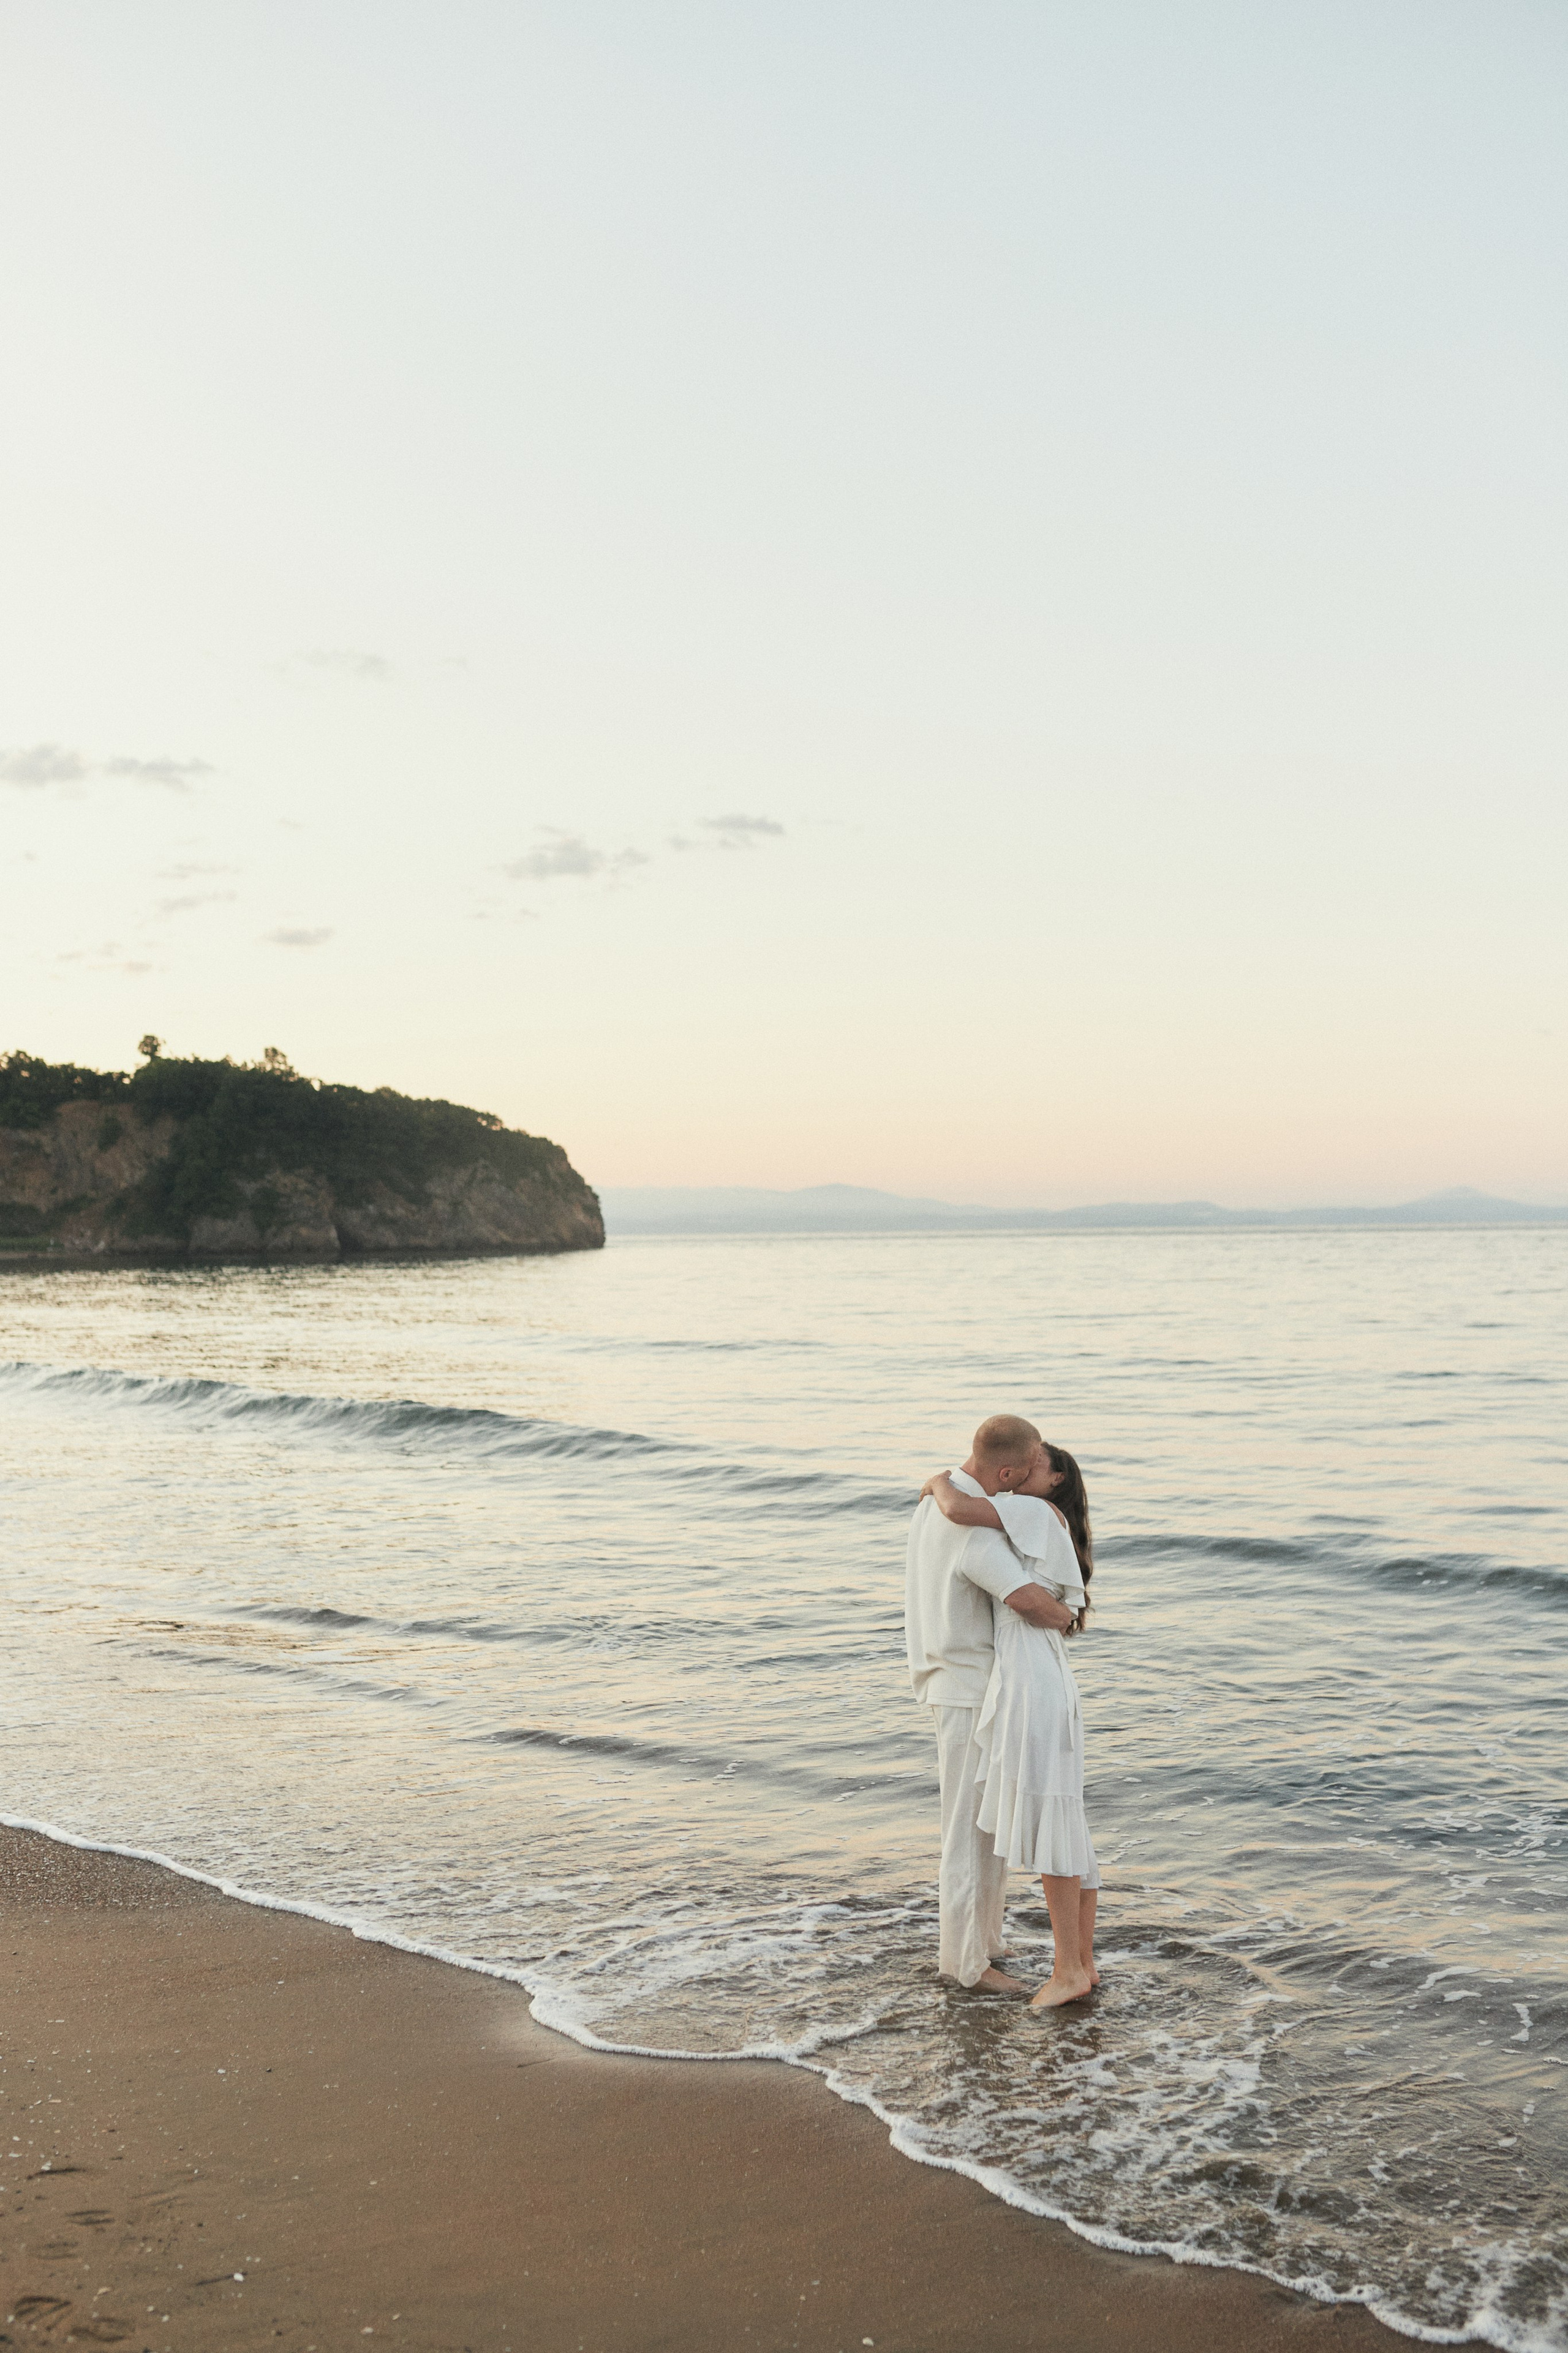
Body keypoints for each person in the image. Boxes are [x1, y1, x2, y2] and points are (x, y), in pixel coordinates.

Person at [922, 1442, 1099, 2009]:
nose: (1026, 1471)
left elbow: (958, 1508)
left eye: (1040, 1465)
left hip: (1027, 1683)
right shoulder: (1032, 1518)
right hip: (1029, 1678)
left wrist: (938, 1481)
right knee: (1060, 1814)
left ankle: (1067, 1968)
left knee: (1050, 1815)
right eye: (1024, 1460)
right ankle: (1077, 1964)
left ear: (1053, 1482)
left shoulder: (1025, 1513)